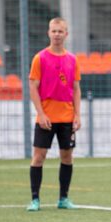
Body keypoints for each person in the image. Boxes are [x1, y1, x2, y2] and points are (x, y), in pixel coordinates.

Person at [26, 17, 81, 211]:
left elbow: (75, 88)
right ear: (48, 33)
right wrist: (40, 114)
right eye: (53, 31)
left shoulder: (73, 59)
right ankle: (35, 200)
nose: (57, 34)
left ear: (66, 34)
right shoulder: (39, 58)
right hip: (46, 117)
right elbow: (33, 87)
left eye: (60, 31)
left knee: (67, 157)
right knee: (38, 156)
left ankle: (63, 199)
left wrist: (77, 115)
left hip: (66, 117)